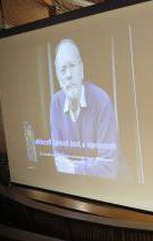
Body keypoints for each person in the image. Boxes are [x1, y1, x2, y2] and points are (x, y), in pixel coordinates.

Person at [50, 39, 118, 179]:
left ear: (81, 69)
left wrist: (74, 167)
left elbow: (108, 165)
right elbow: (58, 158)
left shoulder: (101, 100)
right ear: (58, 77)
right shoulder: (56, 102)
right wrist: (89, 166)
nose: (68, 75)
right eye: (63, 69)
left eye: (72, 66)